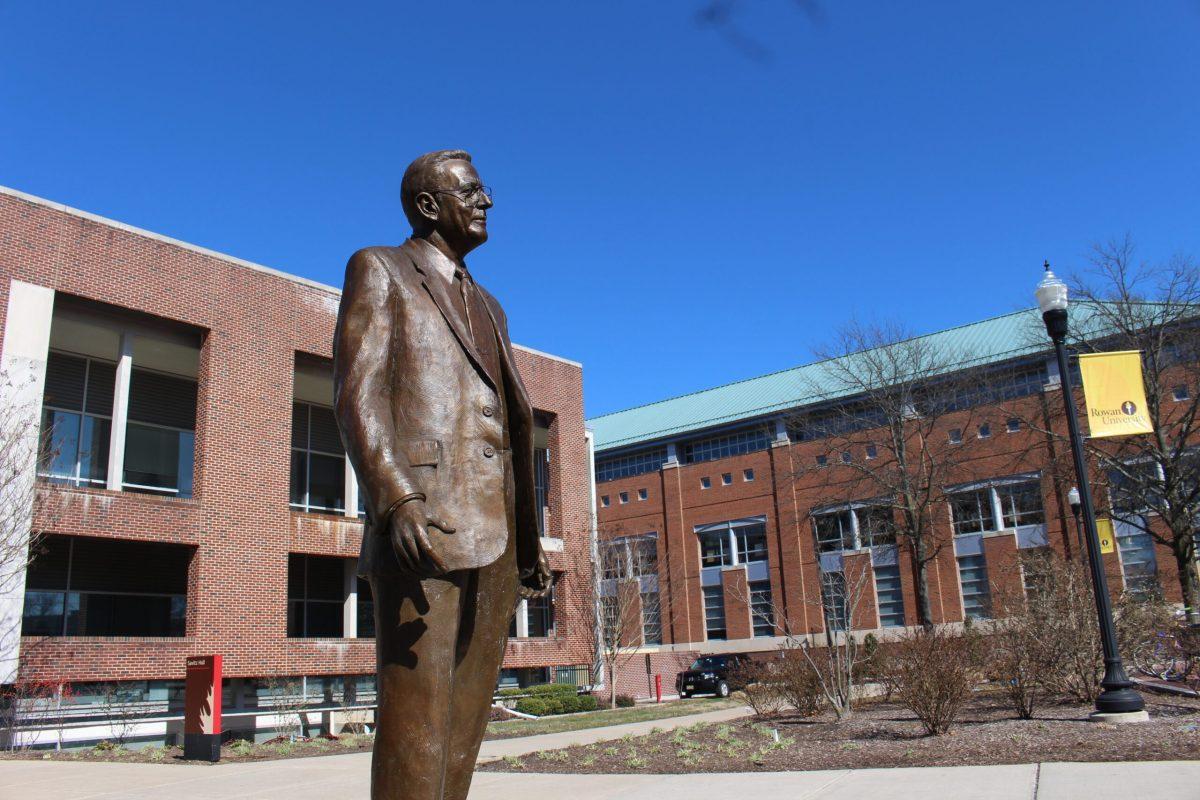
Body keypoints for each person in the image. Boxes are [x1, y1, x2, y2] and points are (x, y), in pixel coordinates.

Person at [334, 149, 551, 800]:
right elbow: (357, 392)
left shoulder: (490, 307)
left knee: (464, 723)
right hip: (422, 526)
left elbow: (510, 428)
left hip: (497, 539)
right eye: (473, 191)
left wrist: (528, 541)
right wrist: (395, 497)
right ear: (429, 206)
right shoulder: (381, 270)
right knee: (417, 718)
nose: (487, 202)